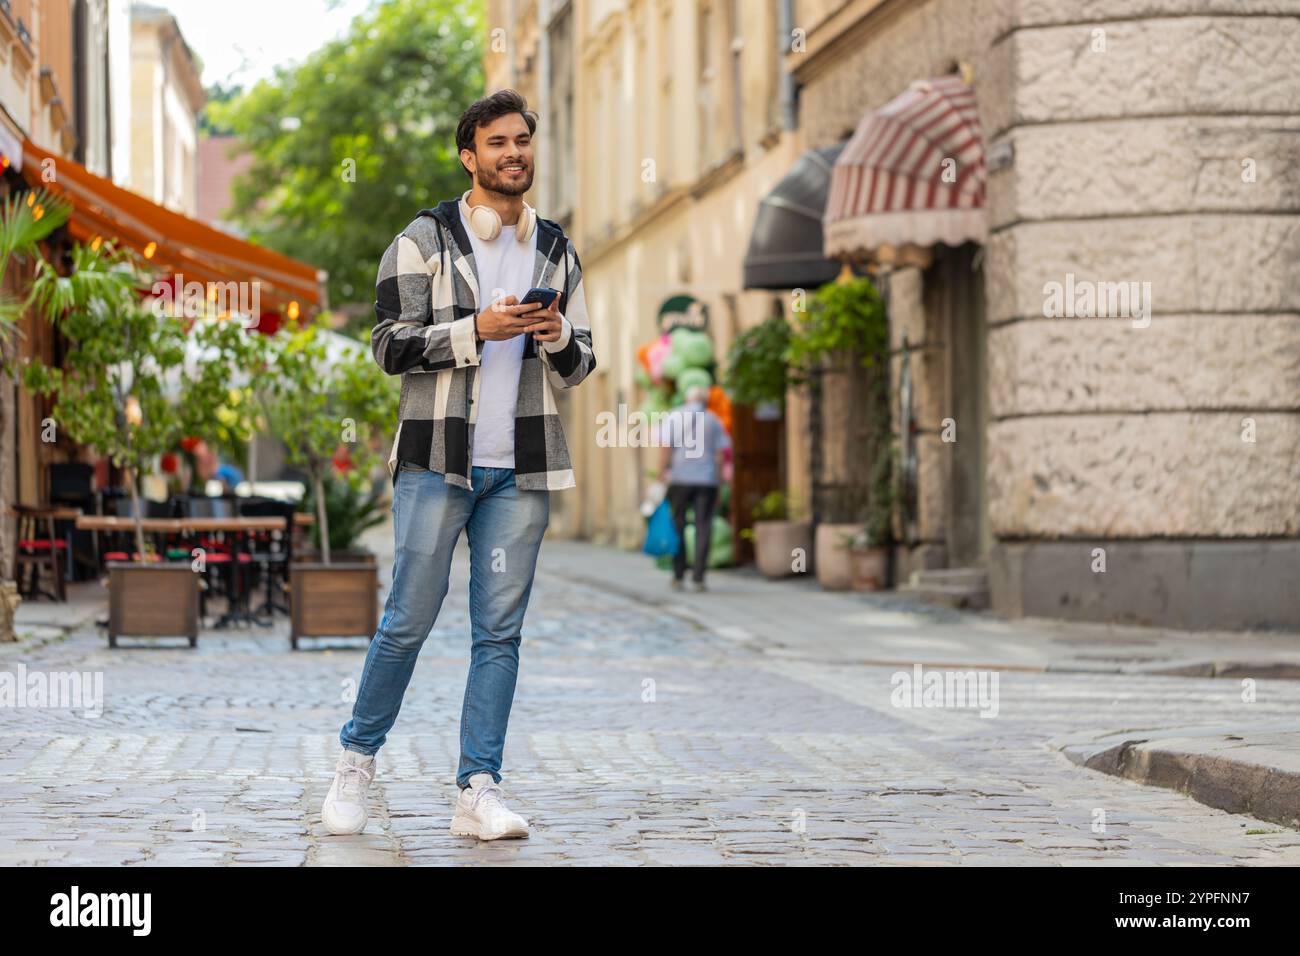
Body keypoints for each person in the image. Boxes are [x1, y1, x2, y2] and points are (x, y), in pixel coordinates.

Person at [322, 90, 596, 841]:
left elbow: (581, 366)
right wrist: (474, 329)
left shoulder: (556, 248)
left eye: (523, 141)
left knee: (499, 634)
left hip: (522, 469)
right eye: (498, 143)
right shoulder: (423, 239)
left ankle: (477, 788)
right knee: (407, 621)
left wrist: (554, 330)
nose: (514, 153)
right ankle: (355, 762)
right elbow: (387, 346)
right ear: (469, 156)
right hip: (436, 463)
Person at [659, 384, 731, 592]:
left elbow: (666, 448)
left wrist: (663, 472)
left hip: (681, 478)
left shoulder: (674, 416)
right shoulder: (713, 420)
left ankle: (678, 575)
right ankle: (699, 577)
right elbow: (720, 455)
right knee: (704, 526)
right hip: (706, 480)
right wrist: (718, 482)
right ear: (705, 400)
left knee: (678, 525)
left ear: (687, 399)